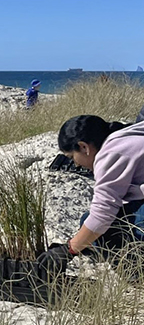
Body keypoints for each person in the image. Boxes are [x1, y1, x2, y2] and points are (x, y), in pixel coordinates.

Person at [37, 115, 143, 272]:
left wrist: (69, 249)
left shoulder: (110, 155)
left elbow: (102, 216)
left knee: (110, 230)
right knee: (90, 223)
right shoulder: (127, 134)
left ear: (84, 147)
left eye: (72, 157)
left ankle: (136, 274)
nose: (75, 164)